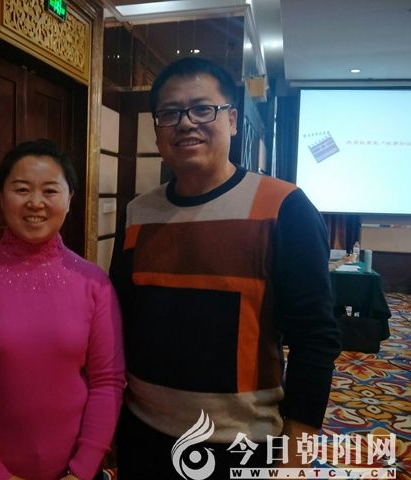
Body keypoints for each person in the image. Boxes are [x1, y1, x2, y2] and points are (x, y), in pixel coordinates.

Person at [109, 57, 340, 478]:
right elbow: (120, 316)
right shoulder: (138, 212)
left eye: (202, 109)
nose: (186, 123)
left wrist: (297, 449)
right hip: (143, 433)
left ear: (232, 120)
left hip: (241, 442)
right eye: (170, 113)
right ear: (157, 130)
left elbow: (315, 337)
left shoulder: (284, 207)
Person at [0, 139, 125, 480]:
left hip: (73, 473)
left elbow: (107, 382)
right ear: (1, 196)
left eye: (50, 190)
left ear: (69, 199)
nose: (35, 202)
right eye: (21, 189)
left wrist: (82, 470)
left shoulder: (95, 284)